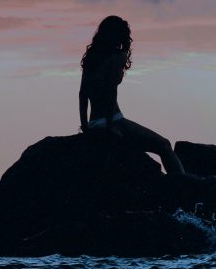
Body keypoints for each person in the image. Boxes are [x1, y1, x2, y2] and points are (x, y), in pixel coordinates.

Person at [78, 15, 185, 175]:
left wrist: (85, 126)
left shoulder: (91, 58)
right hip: (113, 120)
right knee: (164, 145)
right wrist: (111, 126)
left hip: (94, 123)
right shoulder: (116, 58)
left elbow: (82, 94)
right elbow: (110, 92)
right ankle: (184, 187)